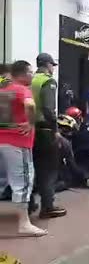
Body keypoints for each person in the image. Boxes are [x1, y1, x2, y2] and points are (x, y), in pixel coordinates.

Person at [0, 60, 47, 236]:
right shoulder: (20, 89)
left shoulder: (3, 90)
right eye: (30, 72)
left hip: (2, 142)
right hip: (17, 143)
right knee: (23, 182)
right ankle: (24, 223)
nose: (32, 75)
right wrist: (30, 122)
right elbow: (30, 105)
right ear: (21, 74)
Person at [30, 53, 67, 218]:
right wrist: (56, 130)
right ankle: (47, 207)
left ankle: (29, 203)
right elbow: (48, 109)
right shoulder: (48, 81)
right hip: (45, 131)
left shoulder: (29, 80)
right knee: (49, 170)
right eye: (52, 65)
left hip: (30, 130)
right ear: (46, 65)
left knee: (33, 168)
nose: (53, 69)